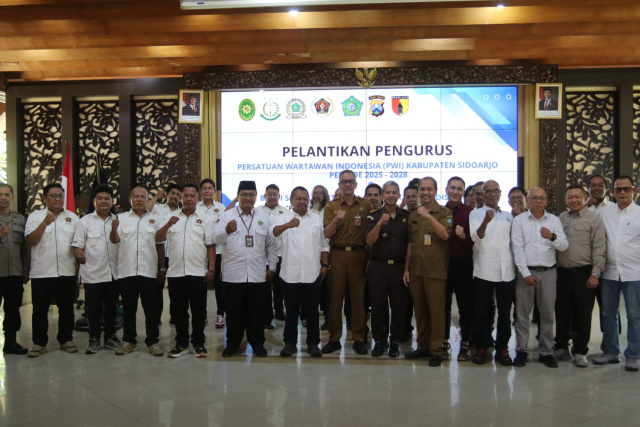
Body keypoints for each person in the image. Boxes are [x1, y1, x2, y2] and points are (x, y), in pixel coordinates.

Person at [213, 181, 278, 358]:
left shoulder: (264, 218)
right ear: (238, 196)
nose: (248, 198)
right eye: (244, 194)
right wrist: (226, 230)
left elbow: (271, 246)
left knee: (256, 313)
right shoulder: (226, 216)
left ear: (256, 197)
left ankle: (257, 344)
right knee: (234, 314)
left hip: (257, 275)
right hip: (233, 276)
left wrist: (272, 268)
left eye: (251, 194)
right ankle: (232, 344)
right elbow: (215, 238)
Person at [156, 184, 215, 358]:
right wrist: (168, 224)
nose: (188, 199)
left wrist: (211, 269)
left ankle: (199, 343)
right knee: (178, 312)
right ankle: (181, 344)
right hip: (176, 273)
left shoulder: (206, 219)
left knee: (199, 312)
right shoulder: (170, 217)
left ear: (198, 198)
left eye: (192, 196)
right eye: (186, 196)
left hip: (198, 273)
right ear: (182, 198)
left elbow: (210, 246)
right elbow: (158, 239)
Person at [512, 187, 568, 368]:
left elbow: (563, 246)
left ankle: (546, 351)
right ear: (527, 200)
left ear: (546, 201)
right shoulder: (519, 220)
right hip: (526, 272)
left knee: (547, 314)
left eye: (541, 198)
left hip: (549, 272)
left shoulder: (554, 220)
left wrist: (552, 237)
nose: (538, 201)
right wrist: (526, 274)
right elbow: (517, 249)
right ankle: (521, 350)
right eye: (534, 197)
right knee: (522, 314)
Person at [272, 187, 329, 357]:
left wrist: (325, 264)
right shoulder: (283, 217)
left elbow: (323, 245)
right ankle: (290, 343)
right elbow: (273, 233)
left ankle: (313, 343)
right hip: (290, 274)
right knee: (291, 311)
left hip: (312, 273)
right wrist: (288, 225)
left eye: (305, 198)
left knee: (312, 312)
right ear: (291, 201)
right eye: (298, 198)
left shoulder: (316, 219)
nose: (302, 201)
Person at [25, 183, 79, 357]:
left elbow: (78, 244)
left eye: (60, 195)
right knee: (40, 310)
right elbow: (31, 241)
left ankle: (66, 340)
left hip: (67, 271)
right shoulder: (35, 217)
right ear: (45, 198)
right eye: (53, 196)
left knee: (67, 309)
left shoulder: (73, 218)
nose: (58, 199)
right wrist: (44, 223)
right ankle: (39, 343)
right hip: (42, 272)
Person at [111, 186, 166, 357]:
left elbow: (160, 245)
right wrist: (113, 229)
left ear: (148, 200)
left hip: (149, 271)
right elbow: (115, 240)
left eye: (143, 197)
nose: (139, 199)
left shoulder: (155, 220)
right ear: (130, 199)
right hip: (127, 271)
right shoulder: (121, 219)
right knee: (129, 309)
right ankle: (130, 341)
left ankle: (152, 341)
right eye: (136, 196)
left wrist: (161, 268)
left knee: (151, 309)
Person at [403, 177, 452, 366]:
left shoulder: (444, 212)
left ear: (435, 191)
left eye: (429, 189)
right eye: (422, 189)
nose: (425, 192)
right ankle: (422, 346)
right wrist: (406, 269)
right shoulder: (413, 215)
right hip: (416, 270)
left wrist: (428, 216)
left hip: (435, 271)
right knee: (420, 311)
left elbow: (445, 235)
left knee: (436, 312)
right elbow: (410, 244)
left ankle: (436, 350)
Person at [322, 170, 372, 355]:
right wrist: (336, 220)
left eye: (351, 181)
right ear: (339, 185)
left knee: (358, 300)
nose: (347, 184)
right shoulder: (331, 206)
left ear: (356, 184)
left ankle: (359, 338)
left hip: (359, 256)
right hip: (337, 255)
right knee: (335, 300)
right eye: (344, 182)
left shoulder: (366, 205)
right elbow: (327, 233)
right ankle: (334, 339)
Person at [555, 184, 605, 367]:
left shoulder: (594, 220)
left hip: (584, 273)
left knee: (583, 313)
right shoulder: (561, 218)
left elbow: (599, 248)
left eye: (577, 196)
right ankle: (561, 346)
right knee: (562, 311)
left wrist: (595, 273)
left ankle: (580, 350)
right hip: (562, 272)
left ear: (585, 198)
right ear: (565, 200)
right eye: (570, 197)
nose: (574, 200)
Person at [594, 176, 640, 371]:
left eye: (626, 189)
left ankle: (633, 355)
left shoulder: (639, 213)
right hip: (610, 272)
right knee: (608, 314)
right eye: (618, 189)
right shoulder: (604, 212)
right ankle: (611, 352)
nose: (622, 192)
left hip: (634, 273)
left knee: (634, 316)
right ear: (612, 192)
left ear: (634, 190)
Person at [469, 180, 515, 366]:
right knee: (481, 313)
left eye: (496, 191)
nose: (492, 194)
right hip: (484, 271)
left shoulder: (509, 217)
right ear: (482, 194)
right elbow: (476, 237)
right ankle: (482, 347)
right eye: (488, 191)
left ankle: (502, 348)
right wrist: (486, 222)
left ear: (500, 193)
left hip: (507, 272)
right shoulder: (475, 213)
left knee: (505, 314)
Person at [72, 184, 121, 354]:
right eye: (100, 198)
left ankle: (110, 337)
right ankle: (93, 339)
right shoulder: (84, 222)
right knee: (93, 309)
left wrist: (114, 229)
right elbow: (77, 246)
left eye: (107, 198)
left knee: (111, 308)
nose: (103, 201)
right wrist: (79, 255)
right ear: (94, 201)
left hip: (113, 273)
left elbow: (119, 243)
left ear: (112, 201)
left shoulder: (118, 220)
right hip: (92, 273)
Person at [364, 181, 410, 358]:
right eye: (388, 192)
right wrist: (379, 224)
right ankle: (379, 340)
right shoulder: (373, 216)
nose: (391, 195)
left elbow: (410, 244)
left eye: (394, 192)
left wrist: (407, 269)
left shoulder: (406, 216)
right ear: (382, 196)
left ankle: (395, 341)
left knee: (399, 306)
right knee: (377, 306)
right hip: (378, 266)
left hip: (399, 266)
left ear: (399, 195)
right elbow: (369, 241)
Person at [443, 177, 474, 361]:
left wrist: (464, 237)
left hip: (464, 264)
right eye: (452, 188)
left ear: (463, 192)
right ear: (446, 190)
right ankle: (444, 341)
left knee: (465, 307)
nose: (455, 191)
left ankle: (465, 343)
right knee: (443, 306)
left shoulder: (470, 213)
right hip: (443, 265)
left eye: (459, 189)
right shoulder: (440, 211)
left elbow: (477, 242)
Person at [0, 183, 29, 354]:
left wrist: (26, 270)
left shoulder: (20, 219)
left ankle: (10, 342)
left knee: (13, 309)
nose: (3, 198)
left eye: (6, 194)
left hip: (15, 273)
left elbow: (26, 248)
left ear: (12, 197)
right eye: (0, 194)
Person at [147, 183, 182, 324]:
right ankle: (156, 317)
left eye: (178, 195)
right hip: (158, 253)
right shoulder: (157, 208)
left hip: (174, 255)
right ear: (167, 194)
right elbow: (146, 210)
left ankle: (175, 316)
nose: (175, 196)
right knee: (157, 288)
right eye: (172, 193)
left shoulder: (182, 213)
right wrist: (156, 197)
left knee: (175, 288)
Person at [196, 178, 227, 329]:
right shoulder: (195, 207)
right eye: (204, 188)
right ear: (200, 191)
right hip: (200, 251)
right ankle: (202, 315)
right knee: (200, 284)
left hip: (218, 251)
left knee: (219, 284)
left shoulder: (221, 208)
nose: (207, 191)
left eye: (210, 188)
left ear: (214, 191)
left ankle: (220, 314)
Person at [257, 184, 287, 326]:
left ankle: (279, 311)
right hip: (262, 255)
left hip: (280, 253)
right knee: (265, 288)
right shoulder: (257, 211)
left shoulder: (285, 212)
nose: (272, 197)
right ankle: (266, 316)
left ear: (279, 196)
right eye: (269, 194)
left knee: (279, 286)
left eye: (275, 194)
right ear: (265, 196)